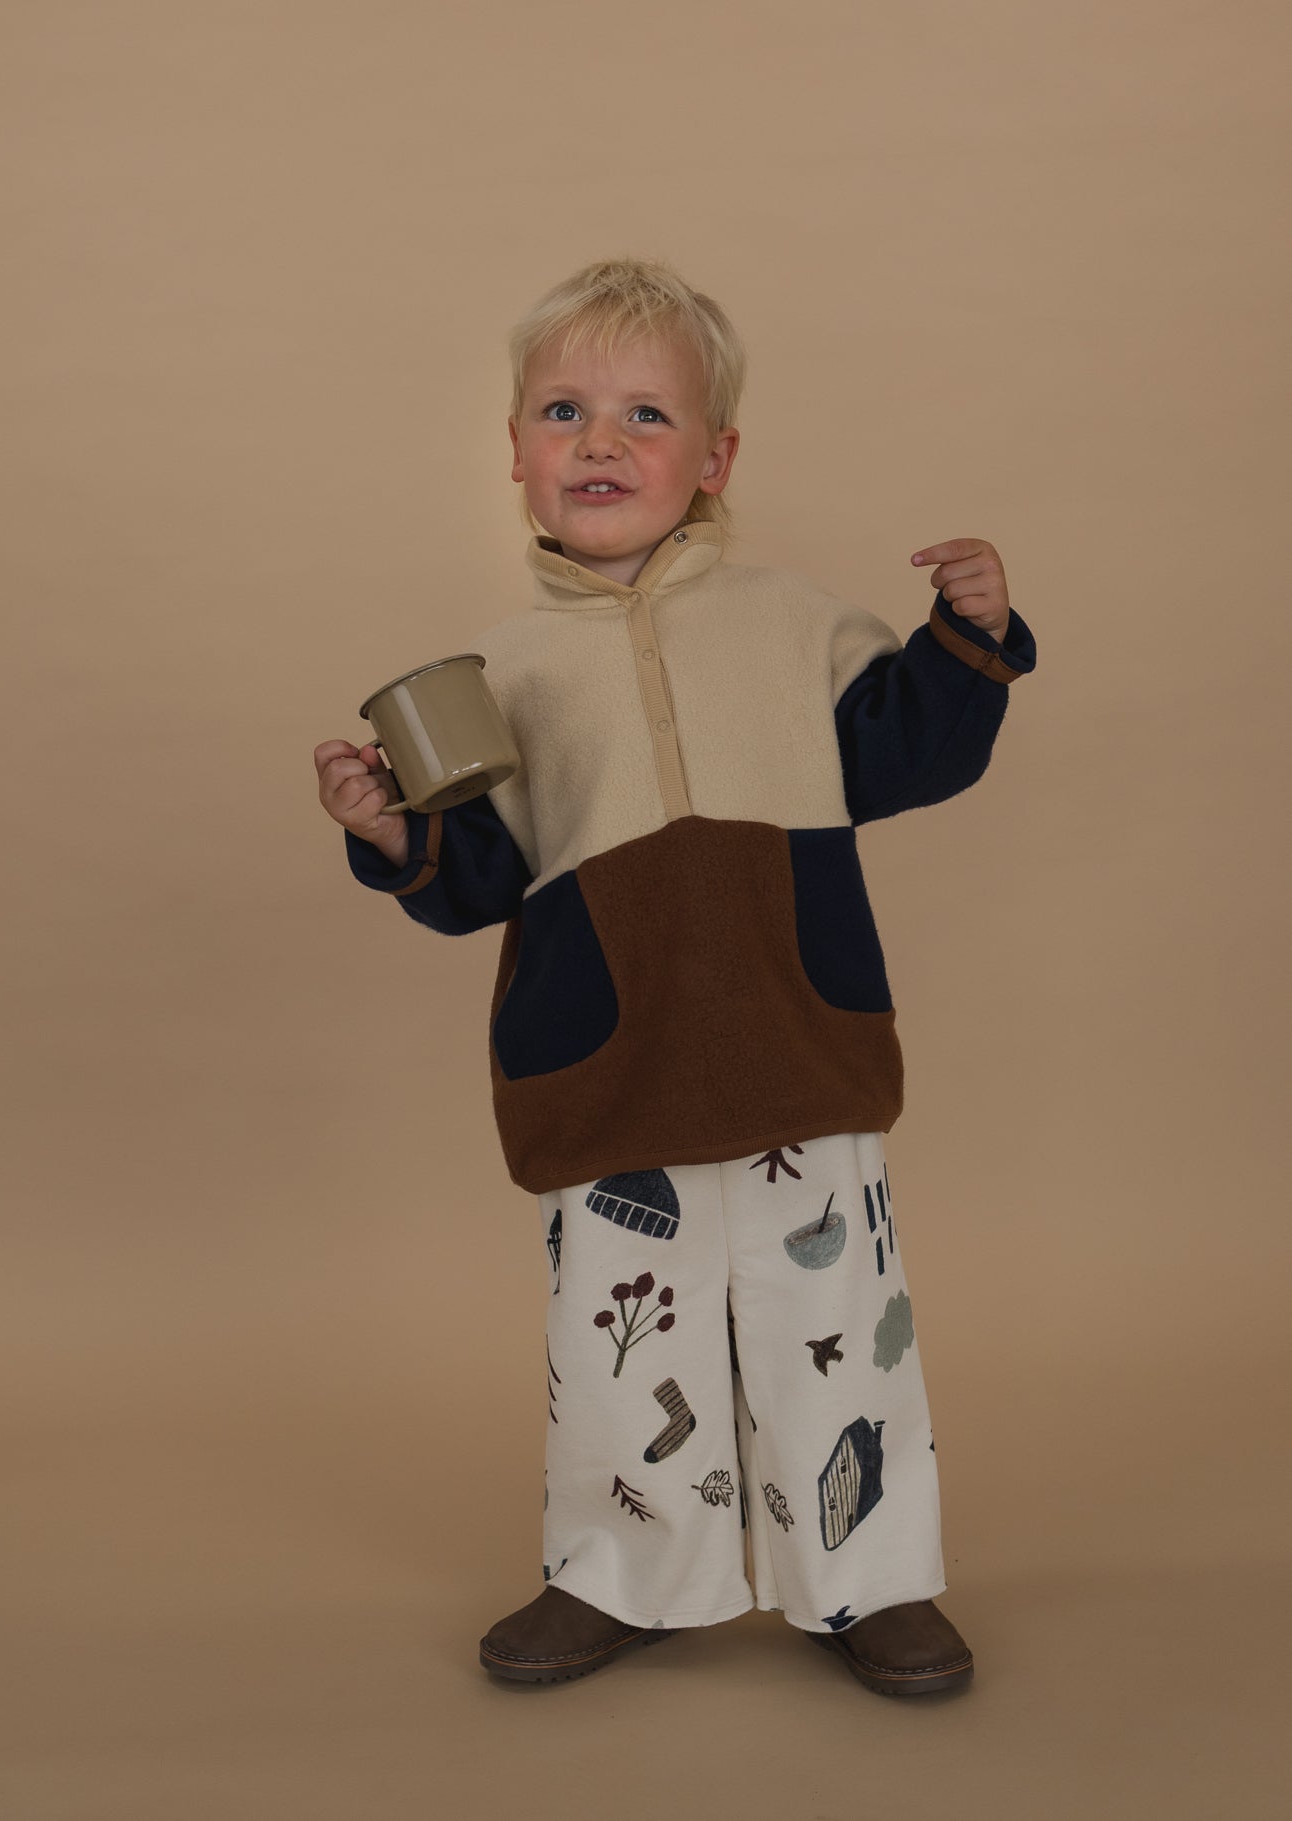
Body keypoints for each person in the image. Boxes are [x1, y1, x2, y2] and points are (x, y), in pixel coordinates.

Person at [314, 256, 1037, 1696]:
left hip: (793, 1037)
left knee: (829, 1336)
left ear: (713, 459)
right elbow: (473, 882)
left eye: (644, 415)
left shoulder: (796, 624)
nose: (600, 441)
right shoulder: (497, 675)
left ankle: (867, 1576)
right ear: (513, 454)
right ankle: (627, 1571)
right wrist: (395, 830)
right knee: (613, 1353)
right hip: (606, 1060)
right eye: (565, 410)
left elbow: (914, 752)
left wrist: (970, 634)